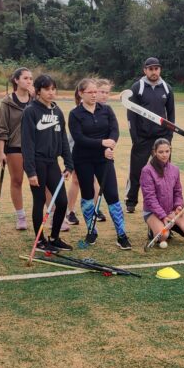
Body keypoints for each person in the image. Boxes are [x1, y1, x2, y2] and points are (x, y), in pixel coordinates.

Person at [68, 78, 132, 250]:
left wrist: (111, 143)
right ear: (81, 93)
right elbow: (79, 138)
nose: (94, 95)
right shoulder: (75, 114)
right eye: (90, 92)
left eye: (96, 91)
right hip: (83, 159)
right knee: (88, 195)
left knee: (112, 195)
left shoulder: (106, 110)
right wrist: (102, 144)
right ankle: (91, 231)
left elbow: (114, 130)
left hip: (105, 158)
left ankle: (121, 234)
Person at [21, 74, 74, 252]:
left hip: (52, 162)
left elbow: (63, 140)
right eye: (47, 89)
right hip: (37, 163)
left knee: (62, 201)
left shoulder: (57, 111)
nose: (51, 93)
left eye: (53, 89)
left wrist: (69, 163)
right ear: (38, 91)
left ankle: (55, 237)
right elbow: (27, 143)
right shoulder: (30, 111)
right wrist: (30, 171)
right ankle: (41, 240)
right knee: (40, 200)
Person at [125, 57, 176, 213]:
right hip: (143, 138)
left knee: (163, 173)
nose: (154, 72)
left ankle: (165, 202)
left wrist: (168, 137)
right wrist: (135, 138)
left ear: (159, 70)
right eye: (151, 69)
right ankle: (131, 201)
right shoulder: (137, 87)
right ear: (145, 70)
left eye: (156, 69)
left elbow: (171, 114)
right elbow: (131, 114)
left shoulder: (166, 88)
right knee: (137, 171)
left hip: (161, 139)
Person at [0, 67, 34, 231]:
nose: (29, 81)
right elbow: (1, 128)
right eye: (25, 78)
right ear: (16, 80)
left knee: (41, 182)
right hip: (15, 147)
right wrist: (1, 152)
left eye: (31, 79)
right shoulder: (7, 102)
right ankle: (21, 216)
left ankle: (51, 214)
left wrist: (36, 96)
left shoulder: (36, 100)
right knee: (16, 181)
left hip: (35, 148)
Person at [141, 138, 184, 243]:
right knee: (163, 236)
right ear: (154, 152)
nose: (164, 155)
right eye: (161, 152)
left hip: (170, 210)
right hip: (152, 212)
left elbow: (177, 192)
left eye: (167, 151)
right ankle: (154, 229)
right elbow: (149, 198)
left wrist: (178, 206)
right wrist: (162, 215)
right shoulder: (147, 171)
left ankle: (169, 226)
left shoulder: (175, 169)